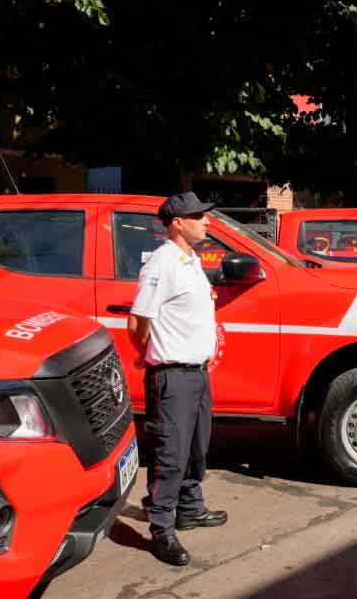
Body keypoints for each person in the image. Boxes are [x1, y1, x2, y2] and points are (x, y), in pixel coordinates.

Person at [128, 191, 227, 567]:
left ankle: (190, 507)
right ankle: (161, 530)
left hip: (197, 375)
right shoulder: (162, 264)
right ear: (177, 223)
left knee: (196, 447)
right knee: (170, 454)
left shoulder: (190, 260)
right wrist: (151, 354)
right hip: (172, 376)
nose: (207, 221)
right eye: (199, 216)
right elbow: (137, 323)